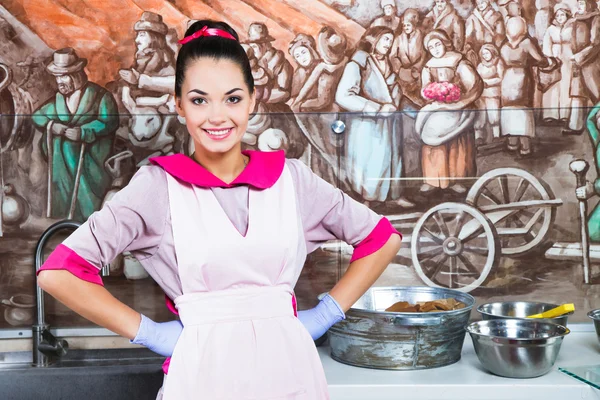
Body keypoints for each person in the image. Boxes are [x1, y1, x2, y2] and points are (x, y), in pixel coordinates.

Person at [36, 20, 402, 400]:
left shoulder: (293, 180)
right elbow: (59, 274)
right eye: (198, 100)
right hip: (200, 377)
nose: (217, 117)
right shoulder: (156, 188)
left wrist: (326, 314)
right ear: (178, 104)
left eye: (232, 98)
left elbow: (381, 239)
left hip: (291, 375)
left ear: (253, 100)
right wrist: (149, 332)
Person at [32, 47, 118, 220]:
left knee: (89, 207)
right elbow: (37, 116)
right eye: (57, 77)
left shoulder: (100, 96)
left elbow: (110, 121)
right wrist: (53, 125)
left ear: (76, 74)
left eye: (64, 76)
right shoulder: (57, 100)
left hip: (89, 163)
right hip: (61, 169)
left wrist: (84, 132)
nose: (60, 81)